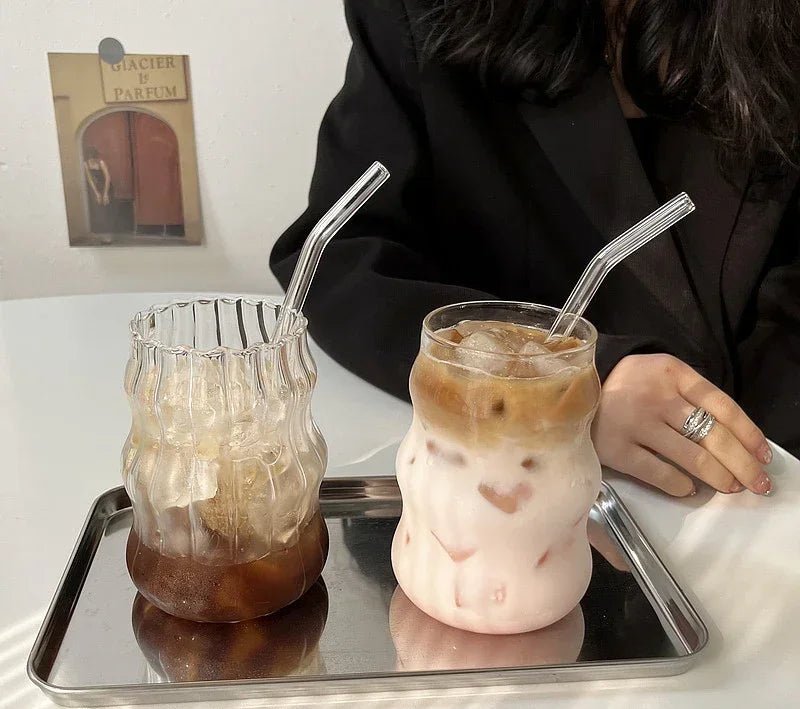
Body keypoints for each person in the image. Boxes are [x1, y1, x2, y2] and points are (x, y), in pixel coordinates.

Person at [271, 0, 800, 497]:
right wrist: (560, 389)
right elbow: (338, 256)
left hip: (750, 483)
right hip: (486, 484)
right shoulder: (422, 12)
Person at [83, 145, 114, 242]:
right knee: (97, 209)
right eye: (89, 158)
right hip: (95, 188)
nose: (91, 160)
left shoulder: (101, 163)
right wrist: (96, 193)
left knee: (106, 208)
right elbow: (90, 179)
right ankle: (99, 234)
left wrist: (105, 194)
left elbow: (108, 178)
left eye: (93, 157)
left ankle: (109, 235)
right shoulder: (85, 164)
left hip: (106, 186)